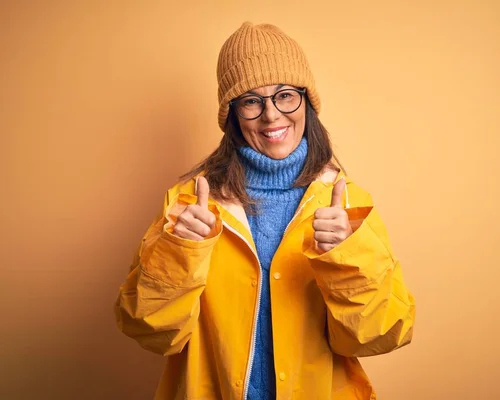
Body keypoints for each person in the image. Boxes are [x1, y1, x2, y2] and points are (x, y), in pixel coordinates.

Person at [114, 21, 415, 400]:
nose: (272, 116)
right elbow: (147, 330)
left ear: (306, 100)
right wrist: (178, 251)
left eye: (285, 95)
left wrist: (348, 256)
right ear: (233, 115)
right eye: (252, 101)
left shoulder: (347, 201)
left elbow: (381, 334)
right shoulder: (191, 204)